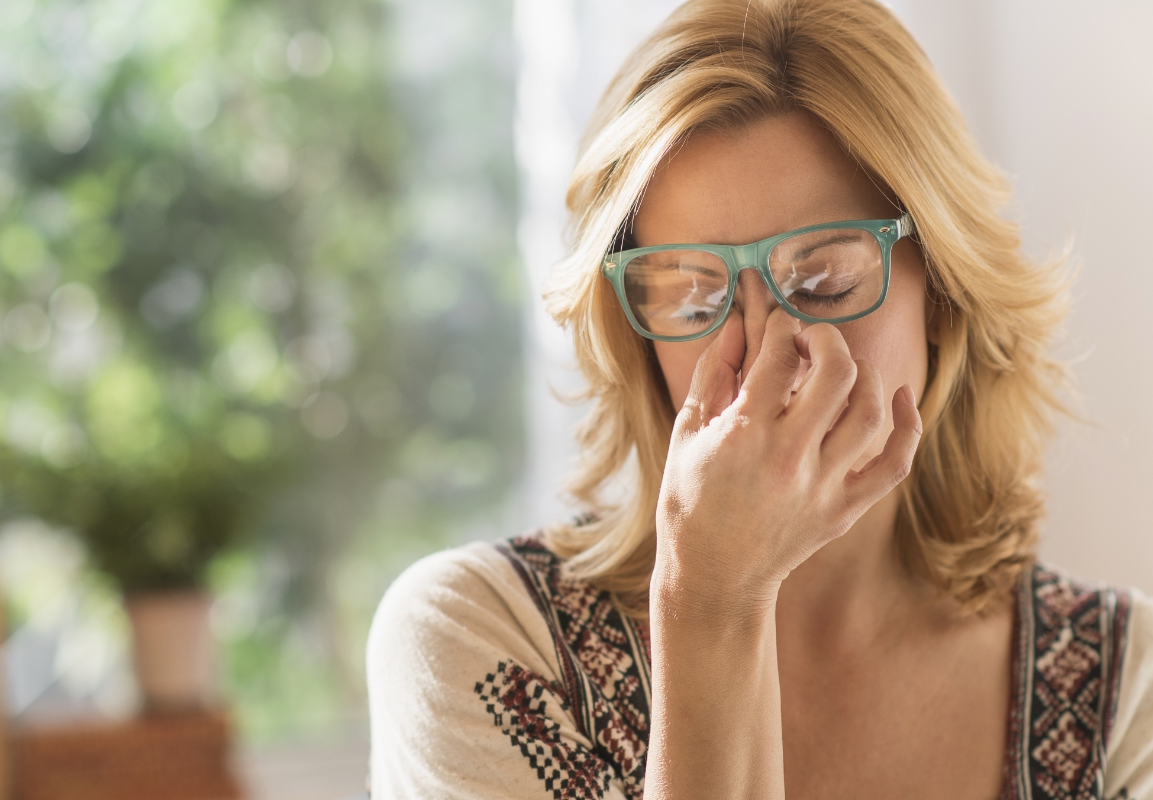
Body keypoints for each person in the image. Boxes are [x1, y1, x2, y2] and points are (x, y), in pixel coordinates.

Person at [365, 0, 1153, 796]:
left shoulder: (1124, 682)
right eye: (694, 301)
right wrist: (709, 603)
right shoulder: (480, 645)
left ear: (944, 292)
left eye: (823, 283)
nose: (763, 354)